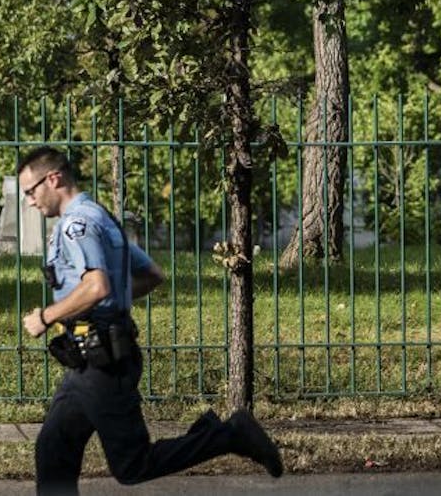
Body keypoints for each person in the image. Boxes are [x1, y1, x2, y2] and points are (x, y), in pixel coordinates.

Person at [17, 146, 283, 495]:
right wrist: (108, 303)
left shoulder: (75, 225)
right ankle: (215, 433)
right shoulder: (100, 217)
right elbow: (151, 275)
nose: (30, 201)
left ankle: (229, 435)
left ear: (53, 179)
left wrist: (47, 316)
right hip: (90, 356)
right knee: (54, 451)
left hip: (103, 363)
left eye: (30, 191)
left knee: (132, 464)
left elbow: (96, 285)